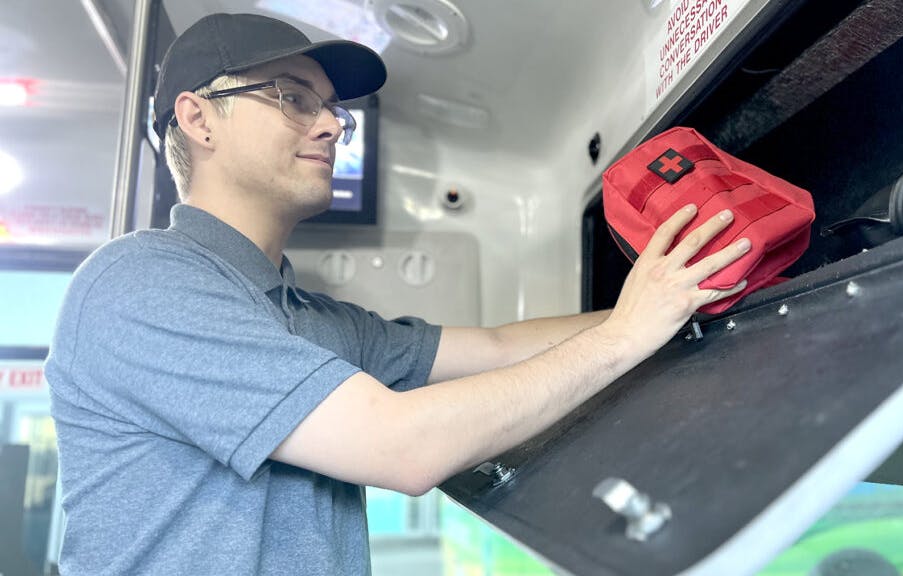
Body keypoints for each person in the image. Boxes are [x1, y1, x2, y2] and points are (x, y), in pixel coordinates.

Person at [44, 12, 751, 576]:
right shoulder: (139, 284)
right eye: (292, 98)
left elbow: (499, 347)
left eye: (330, 109)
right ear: (199, 120)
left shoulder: (306, 319)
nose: (331, 124)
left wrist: (677, 293)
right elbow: (400, 447)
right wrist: (626, 333)